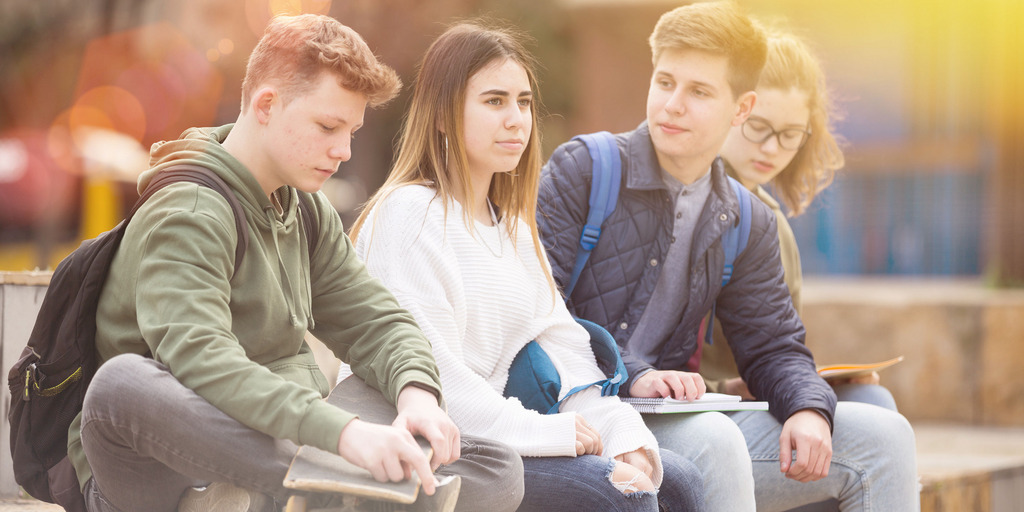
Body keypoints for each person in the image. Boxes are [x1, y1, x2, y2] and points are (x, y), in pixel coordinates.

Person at [68, 14, 524, 512]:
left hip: (282, 444)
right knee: (120, 386)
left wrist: (418, 396)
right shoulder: (190, 210)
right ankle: (329, 488)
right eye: (328, 127)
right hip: (169, 470)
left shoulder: (305, 209)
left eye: (351, 131)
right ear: (266, 104)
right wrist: (344, 435)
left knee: (497, 469)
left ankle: (313, 491)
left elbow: (378, 322)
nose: (344, 150)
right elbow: (202, 362)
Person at [537, 2, 919, 511]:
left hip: (669, 419)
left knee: (884, 437)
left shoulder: (746, 219)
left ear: (741, 108)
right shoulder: (584, 169)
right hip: (576, 414)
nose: (673, 104)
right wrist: (635, 373)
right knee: (716, 442)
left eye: (698, 91)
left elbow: (774, 345)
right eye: (665, 81)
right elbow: (539, 311)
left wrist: (807, 408)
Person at [345, 21, 704, 512]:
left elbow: (569, 354)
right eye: (494, 101)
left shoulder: (513, 228)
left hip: (494, 438)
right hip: (428, 447)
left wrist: (625, 435)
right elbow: (436, 380)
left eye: (524, 102)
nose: (516, 119)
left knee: (678, 479)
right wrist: (550, 432)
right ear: (444, 116)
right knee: (622, 495)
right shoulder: (409, 215)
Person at [704, 29, 899, 414]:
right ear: (732, 108)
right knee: (875, 419)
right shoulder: (689, 201)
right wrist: (723, 387)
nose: (772, 147)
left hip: (753, 400)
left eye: (790, 134)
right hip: (700, 410)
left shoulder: (774, 222)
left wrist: (808, 379)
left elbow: (778, 349)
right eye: (758, 126)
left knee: (872, 399)